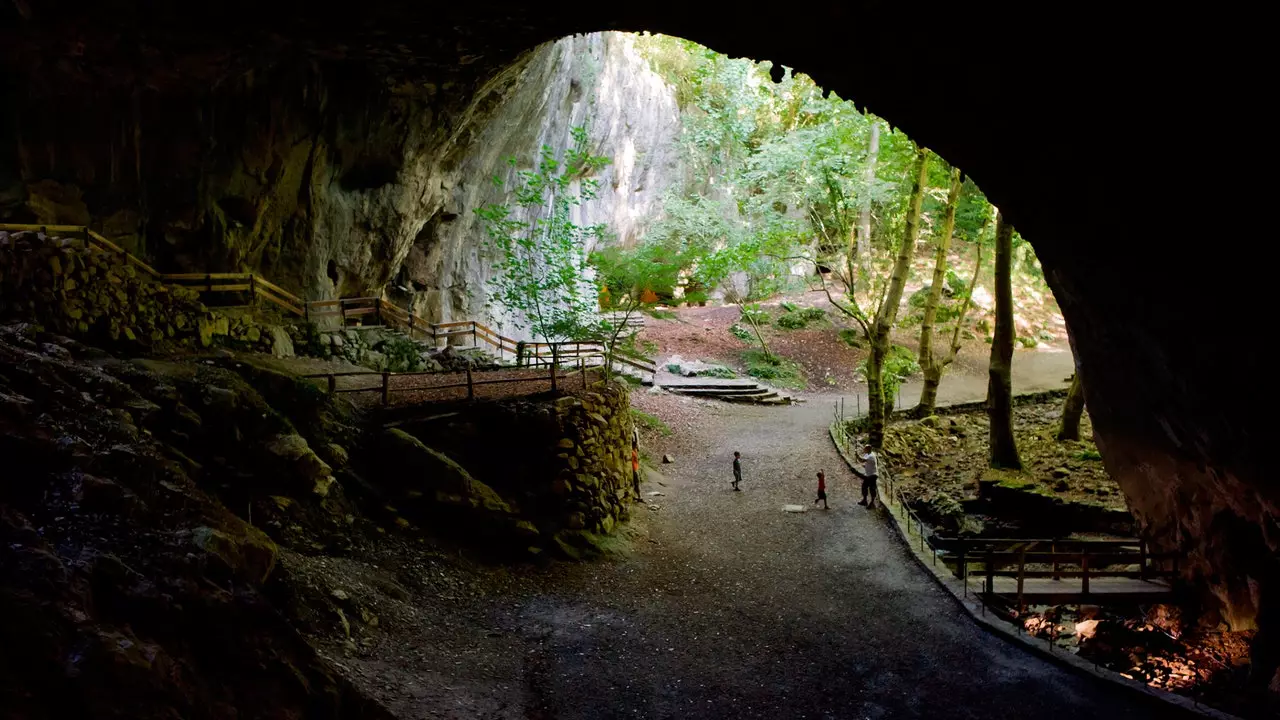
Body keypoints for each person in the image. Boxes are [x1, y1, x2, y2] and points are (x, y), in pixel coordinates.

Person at [856, 444, 879, 508]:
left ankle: (872, 502)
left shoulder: (871, 456)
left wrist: (857, 455)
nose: (864, 449)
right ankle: (865, 500)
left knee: (872, 489)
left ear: (868, 449)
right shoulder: (867, 454)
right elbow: (865, 461)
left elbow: (862, 460)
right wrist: (865, 466)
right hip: (869, 474)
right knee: (864, 486)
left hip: (873, 475)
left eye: (865, 448)